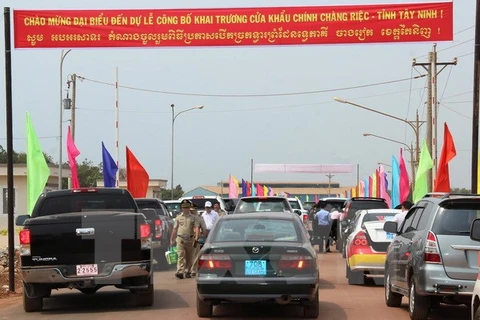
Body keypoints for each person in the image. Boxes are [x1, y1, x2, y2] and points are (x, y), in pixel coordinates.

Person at [170, 199, 200, 279]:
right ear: (181, 208)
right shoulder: (178, 218)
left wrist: (196, 238)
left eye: (187, 207)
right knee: (181, 255)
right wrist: (172, 239)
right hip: (180, 239)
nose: (185, 209)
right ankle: (180, 271)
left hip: (190, 239)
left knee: (190, 257)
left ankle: (187, 271)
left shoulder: (194, 218)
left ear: (189, 208)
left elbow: (197, 228)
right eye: (184, 208)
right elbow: (175, 229)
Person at [188, 202, 207, 277]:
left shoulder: (199, 218)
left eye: (193, 210)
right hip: (187, 239)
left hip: (195, 238)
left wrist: (202, 235)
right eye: (191, 210)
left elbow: (204, 229)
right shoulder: (187, 217)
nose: (192, 211)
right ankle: (188, 270)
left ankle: (192, 270)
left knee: (195, 255)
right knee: (188, 255)